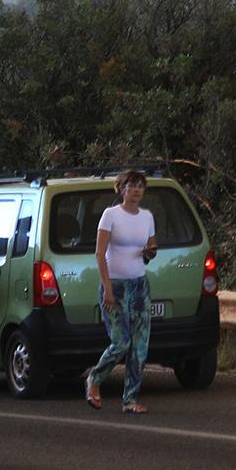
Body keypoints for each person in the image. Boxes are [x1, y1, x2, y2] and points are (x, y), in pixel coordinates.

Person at [86, 170, 158, 413]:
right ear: (122, 189)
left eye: (140, 186)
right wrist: (107, 287)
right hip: (114, 286)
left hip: (139, 285)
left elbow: (150, 249)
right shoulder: (110, 215)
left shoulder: (147, 217)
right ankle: (94, 379)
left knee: (140, 346)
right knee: (121, 342)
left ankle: (130, 400)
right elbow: (99, 253)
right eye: (132, 185)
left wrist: (150, 252)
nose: (136, 190)